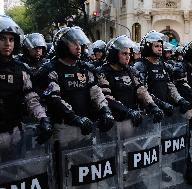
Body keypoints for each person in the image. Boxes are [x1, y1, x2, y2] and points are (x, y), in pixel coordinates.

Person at [36, 26, 114, 143]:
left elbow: (96, 92)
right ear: (62, 45)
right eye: (74, 43)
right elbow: (54, 98)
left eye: (79, 43)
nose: (79, 47)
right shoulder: (50, 69)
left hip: (86, 126)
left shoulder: (85, 68)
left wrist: (105, 110)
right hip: (63, 128)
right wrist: (74, 118)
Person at [0, 15, 53, 157]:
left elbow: (31, 98)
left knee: (16, 176)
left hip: (15, 136)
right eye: (2, 39)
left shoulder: (20, 69)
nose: (7, 44)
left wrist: (43, 118)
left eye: (11, 39)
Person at [97, 35, 164, 126]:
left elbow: (141, 91)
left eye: (129, 54)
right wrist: (128, 111)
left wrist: (153, 106)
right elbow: (106, 97)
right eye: (124, 53)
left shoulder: (130, 71)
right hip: (114, 123)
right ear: (114, 54)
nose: (128, 57)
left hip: (132, 120)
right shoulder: (103, 72)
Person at [134, 31, 192, 117]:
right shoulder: (140, 66)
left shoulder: (163, 65)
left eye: (161, 46)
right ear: (148, 47)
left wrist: (180, 99)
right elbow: (143, 91)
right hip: (150, 113)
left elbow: (170, 85)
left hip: (165, 111)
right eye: (156, 46)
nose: (160, 48)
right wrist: (160, 105)